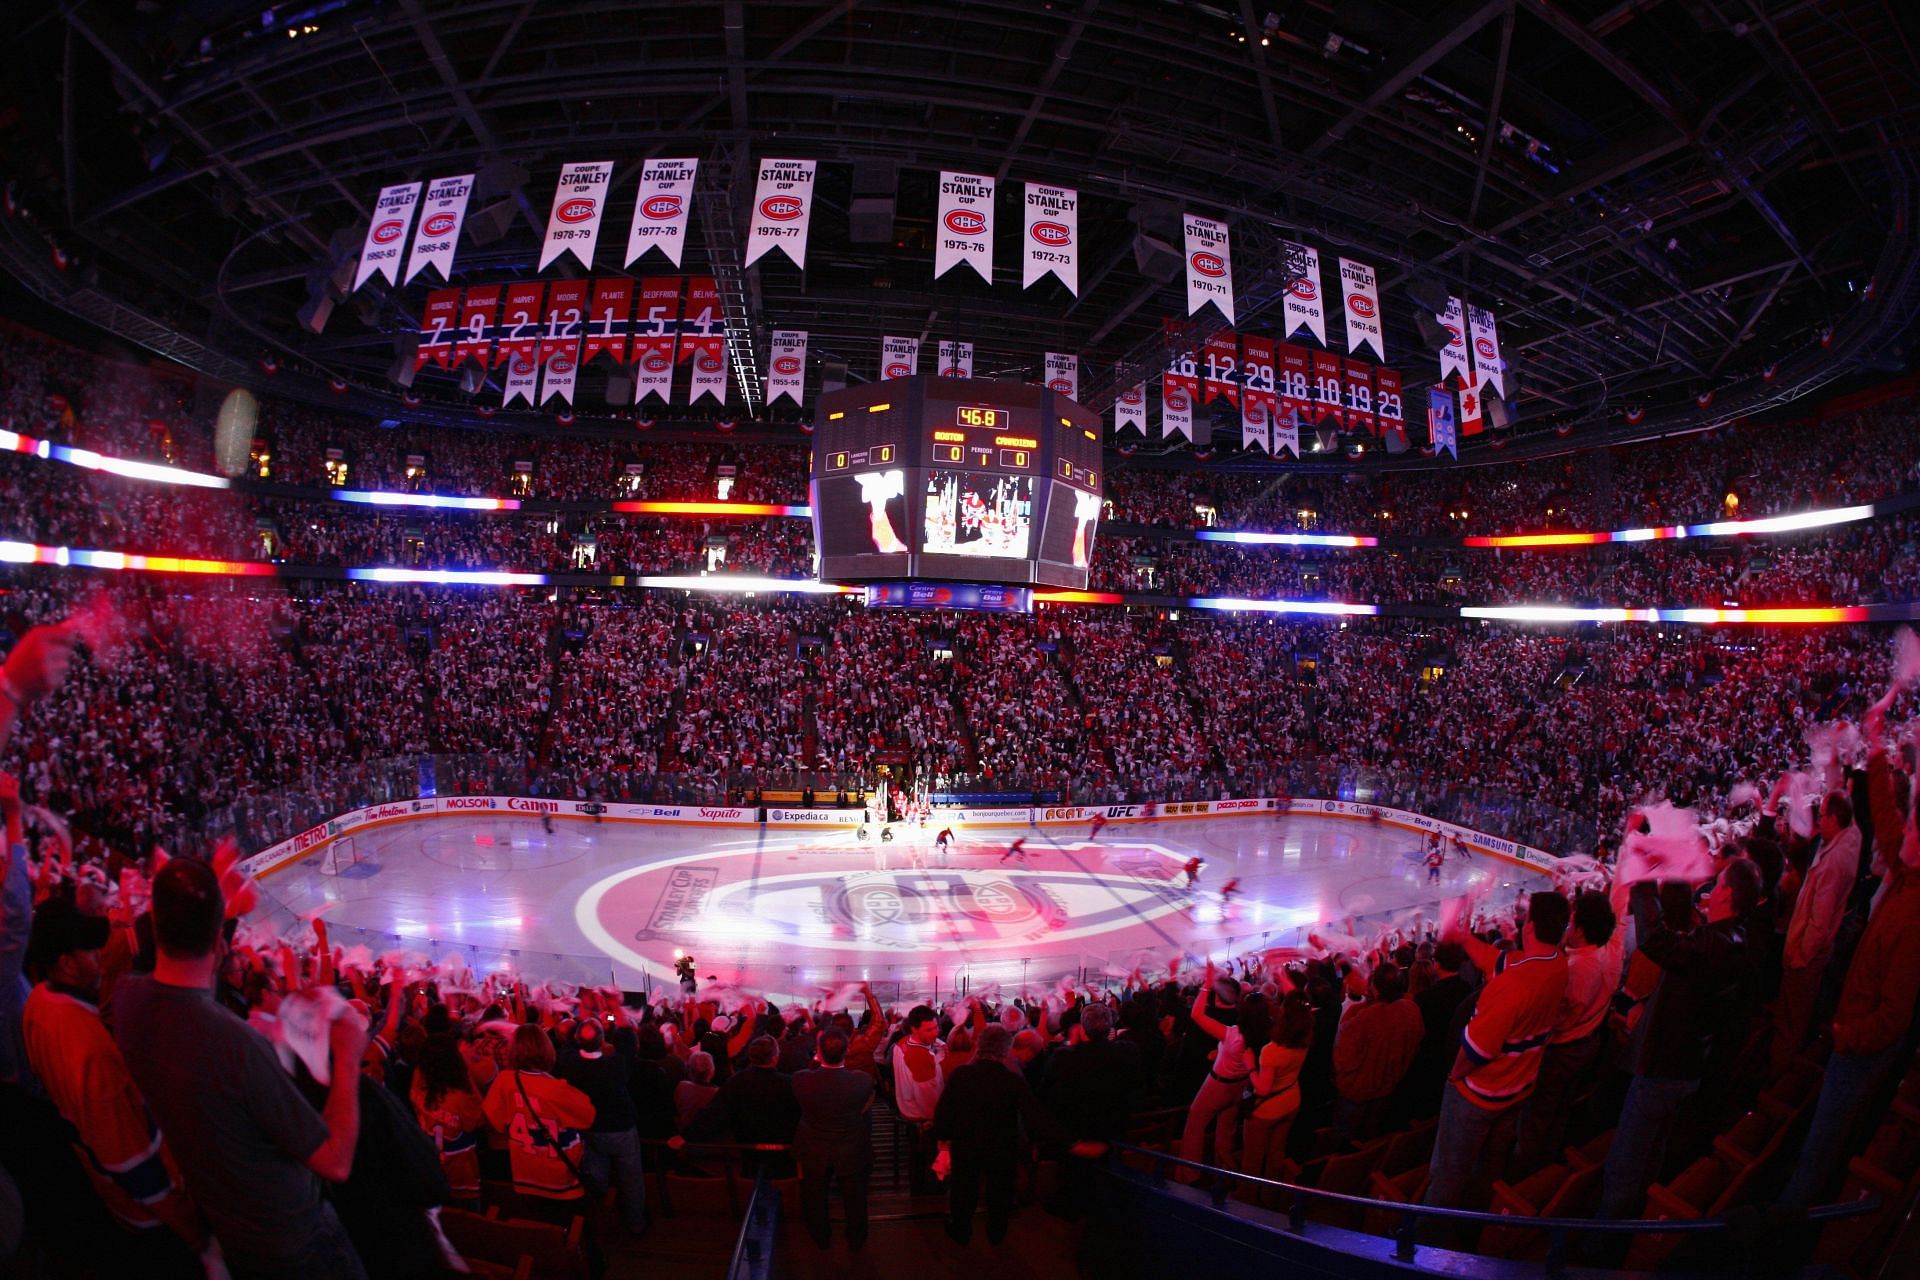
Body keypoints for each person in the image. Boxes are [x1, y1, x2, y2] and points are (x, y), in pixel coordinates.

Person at [115, 856, 370, 1279]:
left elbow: (179, 983)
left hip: (229, 1227)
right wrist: (346, 1056)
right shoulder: (239, 1047)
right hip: (295, 1238)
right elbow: (335, 1161)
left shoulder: (127, 1000)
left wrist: (222, 912)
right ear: (219, 946)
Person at [21, 893, 205, 1275]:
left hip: (108, 1191)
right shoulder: (89, 1050)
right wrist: (199, 1239)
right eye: (91, 953)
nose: (101, 959)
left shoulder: (39, 1002)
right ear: (67, 965)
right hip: (153, 1217)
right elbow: (137, 1170)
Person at [1778, 760, 1920, 1206]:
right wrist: (1875, 750)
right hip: (1853, 1030)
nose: (1904, 831)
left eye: (1914, 826)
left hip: (1859, 1049)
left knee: (1824, 1146)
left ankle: (1787, 1223)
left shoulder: (1914, 914)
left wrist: (1846, 1035)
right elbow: (1886, 814)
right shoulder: (1908, 878)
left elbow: (1895, 1016)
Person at [1599, 859, 1760, 1218]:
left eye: (1718, 885)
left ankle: (1602, 1246)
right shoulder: (1734, 939)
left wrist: (1642, 884)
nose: (1711, 889)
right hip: (1687, 1066)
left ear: (1728, 894)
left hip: (1663, 1068)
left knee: (1625, 1167)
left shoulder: (1716, 943)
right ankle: (1633, 1219)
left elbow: (1657, 941)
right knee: (1650, 1156)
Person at [1423, 892, 1570, 1210]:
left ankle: (1428, 1237)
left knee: (1449, 1172)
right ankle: (1475, 1218)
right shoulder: (1557, 964)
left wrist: (1453, 1078)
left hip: (1478, 1096)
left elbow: (1476, 1053)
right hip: (1517, 1092)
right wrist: (1463, 937)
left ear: (1529, 926)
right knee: (1489, 1167)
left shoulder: (1509, 987)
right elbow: (1497, 960)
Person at [1513, 890, 1621, 1176]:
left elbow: (1562, 1017)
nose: (1567, 927)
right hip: (1586, 1043)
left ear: (1582, 930)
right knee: (1559, 1109)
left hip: (1563, 1051)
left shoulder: (1578, 968)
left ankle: (1525, 1171)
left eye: (1572, 923)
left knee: (1540, 1112)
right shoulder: (1604, 952)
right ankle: (1546, 1159)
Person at [932, 1024, 1061, 1245]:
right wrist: (1063, 1141)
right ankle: (997, 1232)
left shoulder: (961, 1075)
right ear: (1005, 1050)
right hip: (1002, 1146)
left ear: (979, 1046)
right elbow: (1034, 1117)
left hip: (967, 1145)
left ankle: (961, 1230)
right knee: (999, 1191)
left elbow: (943, 1113)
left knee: (964, 1189)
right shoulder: (1012, 1080)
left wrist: (944, 1140)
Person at [1772, 793, 1861, 1074]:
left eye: (1821, 816)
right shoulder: (1849, 837)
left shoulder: (1834, 863)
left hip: (1806, 959)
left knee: (1790, 1023)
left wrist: (1800, 956)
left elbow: (1819, 923)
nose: (1818, 822)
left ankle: (1777, 1080)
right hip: (1811, 953)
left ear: (1834, 819)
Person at [482, 1024, 596, 1217]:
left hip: (524, 1177)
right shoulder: (557, 1089)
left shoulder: (504, 1081)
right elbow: (589, 1117)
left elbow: (493, 1120)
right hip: (561, 1181)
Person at [559, 1019, 648, 1236]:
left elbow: (567, 1045)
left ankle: (600, 1225)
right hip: (620, 1131)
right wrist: (616, 1024)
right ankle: (636, 1224)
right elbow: (628, 1044)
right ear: (602, 1042)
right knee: (631, 1180)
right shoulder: (615, 1064)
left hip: (589, 1131)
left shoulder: (569, 1063)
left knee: (596, 1181)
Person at [792, 1027, 875, 1249]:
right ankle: (856, 1240)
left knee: (815, 1197)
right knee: (855, 1199)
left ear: (818, 1051)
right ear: (847, 1051)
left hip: (814, 1148)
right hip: (851, 1148)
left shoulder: (801, 1080)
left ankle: (821, 1238)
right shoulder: (862, 1081)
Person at [1329, 961, 1424, 1146]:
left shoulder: (1362, 1018)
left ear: (1375, 989)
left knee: (1343, 1145)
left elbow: (1342, 1061)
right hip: (1389, 1089)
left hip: (1356, 1095)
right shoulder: (1412, 1010)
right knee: (1371, 1140)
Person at [685, 1034, 799, 1175]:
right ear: (775, 1058)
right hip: (783, 1155)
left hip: (748, 1153)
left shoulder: (736, 1082)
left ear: (751, 1058)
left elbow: (713, 1114)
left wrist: (685, 1136)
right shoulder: (790, 1083)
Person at [1178, 979, 1262, 1170]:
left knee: (1196, 1122)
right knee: (1227, 1127)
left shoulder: (1233, 1035)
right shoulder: (1264, 1033)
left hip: (1220, 1084)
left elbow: (1197, 1014)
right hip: (1241, 1085)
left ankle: (1188, 1174)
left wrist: (1207, 984)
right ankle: (1224, 1169)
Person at [410, 1029, 487, 1209]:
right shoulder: (460, 1096)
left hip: (430, 1167)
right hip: (461, 1176)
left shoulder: (418, 1083)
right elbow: (480, 1119)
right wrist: (466, 1073)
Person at [1243, 992, 1314, 1179]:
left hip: (1267, 1111)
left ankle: (1247, 1198)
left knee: (1253, 1159)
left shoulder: (1271, 1051)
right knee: (1276, 1152)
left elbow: (1263, 1089)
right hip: (1291, 1101)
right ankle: (1270, 1193)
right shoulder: (1305, 1040)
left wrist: (1251, 1066)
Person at [890, 1005, 946, 1194]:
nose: (935, 1033)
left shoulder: (903, 1044)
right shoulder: (922, 1060)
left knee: (916, 1161)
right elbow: (929, 1101)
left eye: (936, 1027)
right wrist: (938, 1122)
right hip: (925, 1120)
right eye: (929, 1029)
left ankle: (918, 1193)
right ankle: (930, 1206)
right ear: (914, 1029)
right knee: (931, 1166)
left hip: (908, 1112)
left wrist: (937, 1049)